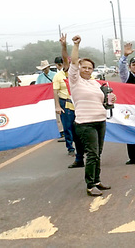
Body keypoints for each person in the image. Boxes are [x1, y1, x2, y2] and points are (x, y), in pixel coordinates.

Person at [68, 35, 115, 197]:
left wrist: (110, 100)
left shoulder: (96, 83)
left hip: (100, 121)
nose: (87, 70)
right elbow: (73, 62)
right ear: (79, 68)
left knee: (98, 153)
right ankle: (90, 185)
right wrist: (76, 45)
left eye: (90, 68)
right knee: (92, 154)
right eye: (84, 67)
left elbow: (103, 101)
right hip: (85, 123)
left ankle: (97, 180)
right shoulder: (75, 81)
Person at [57, 35, 85, 169]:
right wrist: (64, 46)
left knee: (86, 133)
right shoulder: (71, 74)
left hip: (85, 108)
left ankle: (92, 157)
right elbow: (65, 59)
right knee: (75, 133)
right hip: (71, 107)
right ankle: (79, 158)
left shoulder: (89, 76)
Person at [52, 55, 77, 157]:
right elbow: (55, 91)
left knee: (80, 126)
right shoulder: (58, 76)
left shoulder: (77, 74)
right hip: (65, 102)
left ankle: (81, 146)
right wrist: (57, 106)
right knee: (67, 126)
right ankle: (70, 147)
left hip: (77, 102)